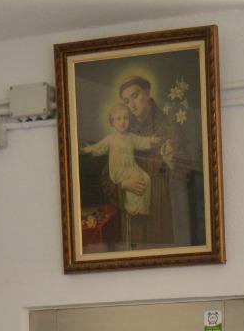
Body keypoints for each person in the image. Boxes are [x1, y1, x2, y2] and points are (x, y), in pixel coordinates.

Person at [107, 74, 192, 248]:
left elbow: (187, 173)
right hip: (136, 211)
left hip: (163, 211)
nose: (132, 105)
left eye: (135, 96)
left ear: (147, 93)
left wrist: (172, 164)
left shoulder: (169, 127)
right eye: (126, 101)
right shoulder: (122, 134)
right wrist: (122, 184)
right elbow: (108, 175)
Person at [80, 100, 163, 247]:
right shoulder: (111, 138)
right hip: (119, 171)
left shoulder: (131, 137)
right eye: (118, 119)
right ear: (112, 122)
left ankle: (141, 209)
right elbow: (99, 147)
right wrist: (88, 149)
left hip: (131, 167)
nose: (122, 122)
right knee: (137, 179)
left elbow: (141, 141)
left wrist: (150, 140)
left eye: (125, 118)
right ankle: (132, 209)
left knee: (146, 179)